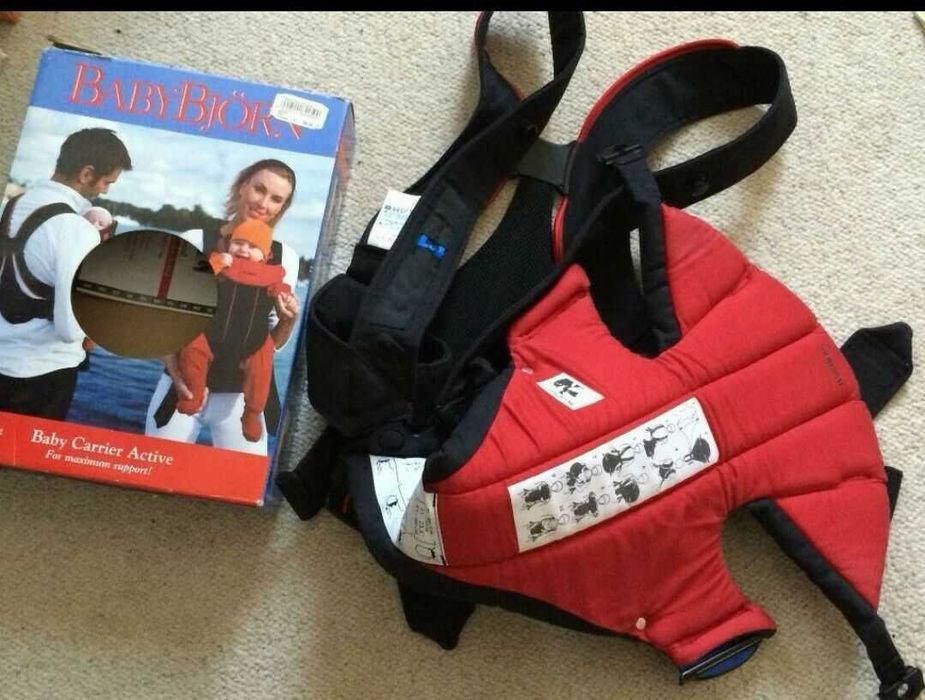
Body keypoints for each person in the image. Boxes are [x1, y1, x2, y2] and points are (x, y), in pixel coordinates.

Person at [144, 159, 300, 455]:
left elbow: (274, 344)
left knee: (243, 478)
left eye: (276, 199)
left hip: (241, 399)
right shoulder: (195, 240)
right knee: (153, 467)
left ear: (282, 207)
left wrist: (289, 320)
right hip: (182, 387)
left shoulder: (285, 259)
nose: (263, 203)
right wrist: (175, 372)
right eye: (259, 189)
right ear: (243, 187)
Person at [0, 128, 132, 420]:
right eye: (107, 182)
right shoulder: (76, 229)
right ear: (86, 174)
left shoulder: (9, 206)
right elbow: (71, 330)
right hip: (41, 380)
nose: (106, 191)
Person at [174, 218, 292, 443]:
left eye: (253, 247)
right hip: (210, 333)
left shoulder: (271, 276)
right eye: (238, 243)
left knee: (262, 367)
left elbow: (282, 291)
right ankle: (194, 393)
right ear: (228, 245)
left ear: (266, 255)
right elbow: (196, 278)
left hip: (253, 340)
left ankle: (252, 414)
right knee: (192, 348)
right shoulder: (219, 264)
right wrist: (217, 263)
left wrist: (286, 299)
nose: (244, 250)